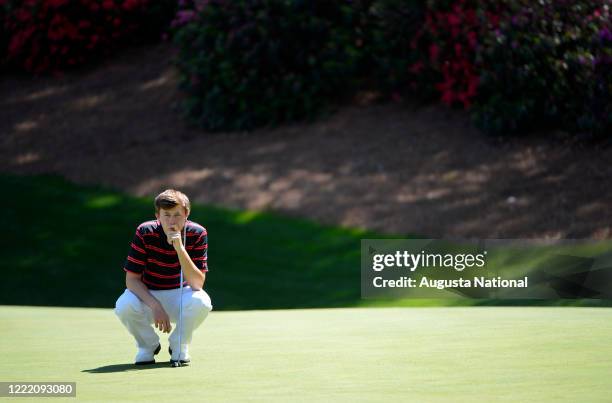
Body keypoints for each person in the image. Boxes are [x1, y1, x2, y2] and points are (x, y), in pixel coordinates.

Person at [114, 189, 212, 365]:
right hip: (149, 296)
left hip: (181, 296)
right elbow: (131, 280)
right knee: (124, 305)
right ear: (157, 215)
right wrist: (156, 306)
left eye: (177, 215)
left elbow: (197, 284)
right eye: (166, 215)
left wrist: (180, 248)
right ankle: (148, 346)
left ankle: (178, 345)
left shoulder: (197, 233)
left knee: (202, 302)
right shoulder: (145, 231)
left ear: (186, 214)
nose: (172, 221)